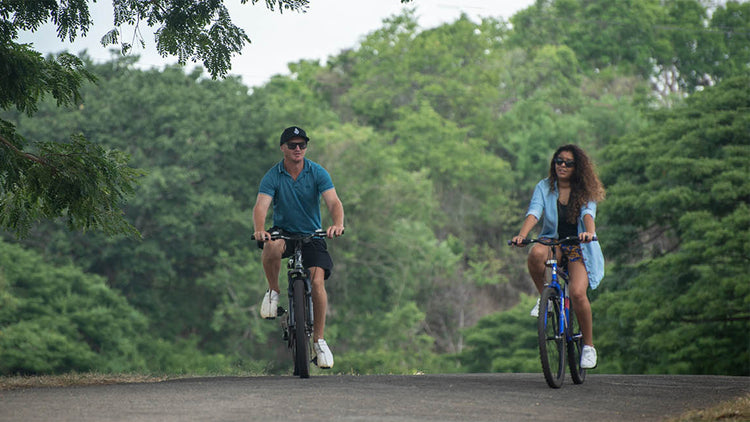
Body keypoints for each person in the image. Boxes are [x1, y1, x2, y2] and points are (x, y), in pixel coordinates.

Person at [253, 126, 345, 369]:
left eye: (301, 145)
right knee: (270, 247)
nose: (297, 149)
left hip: (312, 234)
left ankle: (319, 340)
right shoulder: (273, 175)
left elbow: (334, 201)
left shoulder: (317, 172)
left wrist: (337, 224)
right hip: (284, 232)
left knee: (317, 282)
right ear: (283, 147)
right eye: (292, 145)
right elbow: (261, 205)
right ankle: (273, 291)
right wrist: (260, 229)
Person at [511, 144, 605, 369]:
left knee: (576, 293)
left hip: (578, 246)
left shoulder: (585, 190)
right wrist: (522, 235)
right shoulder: (544, 187)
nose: (562, 166)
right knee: (535, 253)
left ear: (577, 167)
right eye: (558, 161)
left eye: (568, 163)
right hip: (554, 242)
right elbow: (534, 212)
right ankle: (547, 298)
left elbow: (588, 213)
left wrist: (589, 233)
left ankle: (589, 346)